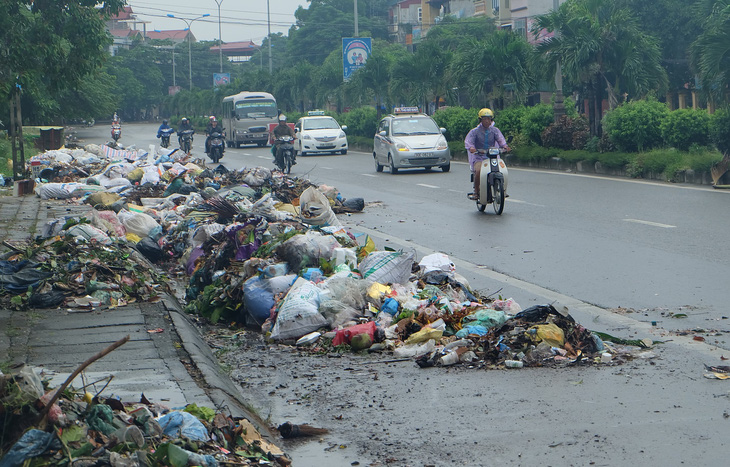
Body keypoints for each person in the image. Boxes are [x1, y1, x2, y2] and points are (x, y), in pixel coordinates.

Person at [464, 108, 510, 200]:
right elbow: (469, 142)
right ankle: (476, 192)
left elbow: (501, 140)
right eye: (485, 119)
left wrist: (505, 147)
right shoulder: (474, 131)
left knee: (502, 170)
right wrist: (471, 148)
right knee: (478, 172)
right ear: (480, 120)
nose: (487, 121)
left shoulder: (495, 130)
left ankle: (503, 191)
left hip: (492, 157)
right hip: (479, 157)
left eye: (489, 119)